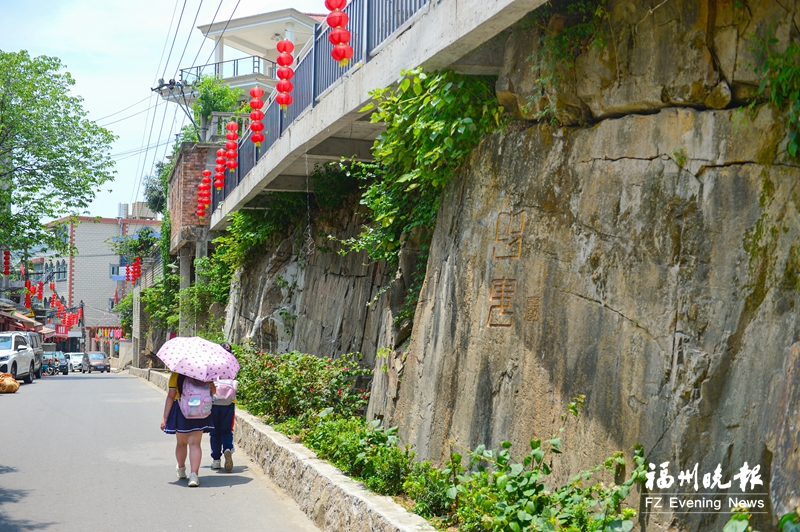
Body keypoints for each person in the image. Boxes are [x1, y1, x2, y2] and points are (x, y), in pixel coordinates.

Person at [161, 372, 215, 487]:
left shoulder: (176, 374)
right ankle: (194, 475)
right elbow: (213, 392)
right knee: (195, 444)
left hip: (182, 410)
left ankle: (181, 469)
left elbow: (171, 395)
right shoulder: (204, 373)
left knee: (181, 443)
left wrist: (165, 418)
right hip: (200, 411)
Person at [210, 342, 237, 472]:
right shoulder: (232, 364)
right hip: (229, 403)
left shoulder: (211, 364)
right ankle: (227, 448)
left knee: (214, 432)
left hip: (213, 403)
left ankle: (216, 460)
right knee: (226, 430)